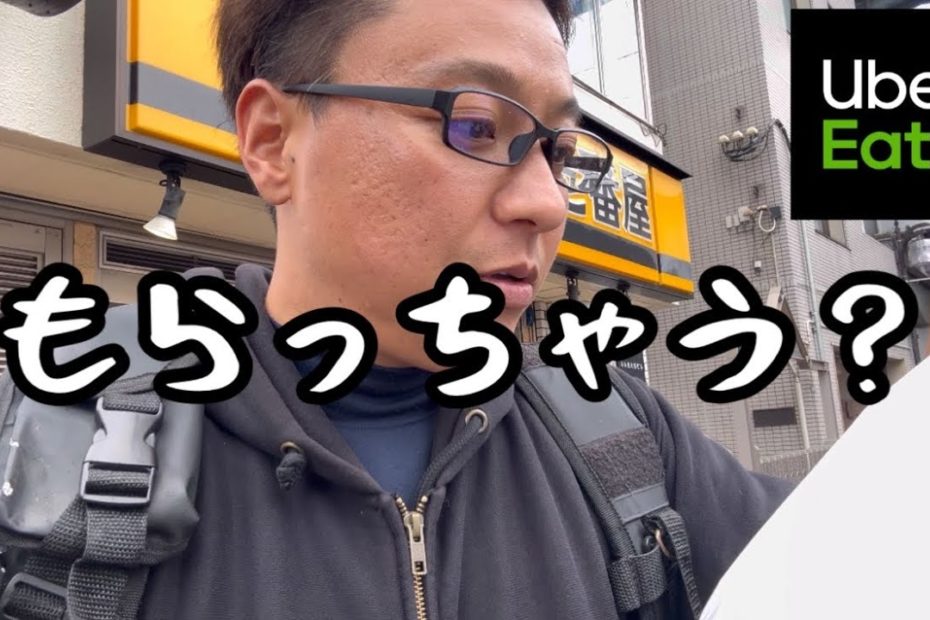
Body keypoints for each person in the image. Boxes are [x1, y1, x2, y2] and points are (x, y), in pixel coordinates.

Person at [0, 0, 794, 618]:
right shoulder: (54, 412)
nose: (548, 204)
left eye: (557, 151)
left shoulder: (615, 430)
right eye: (475, 124)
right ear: (273, 140)